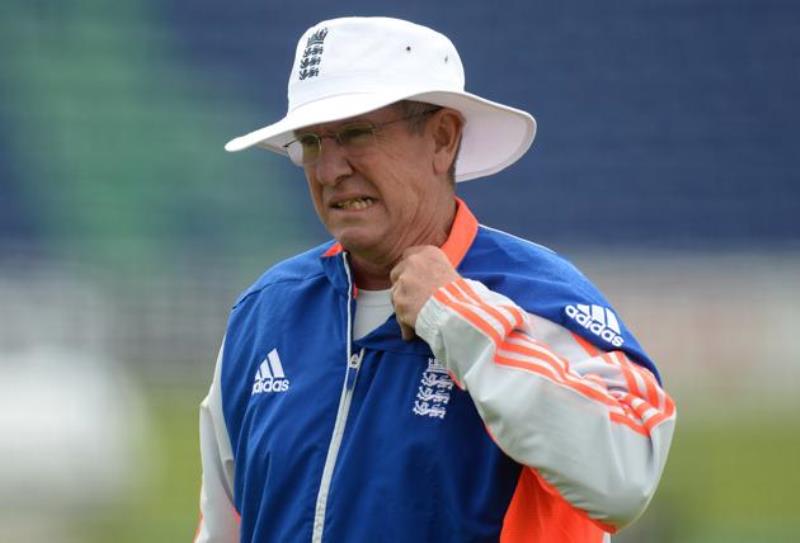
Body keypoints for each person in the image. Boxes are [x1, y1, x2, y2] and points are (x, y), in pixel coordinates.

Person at [194, 16, 676, 543]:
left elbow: (626, 475)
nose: (329, 169)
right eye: (311, 142)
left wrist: (461, 317)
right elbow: (223, 529)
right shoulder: (265, 314)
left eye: (356, 133)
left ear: (443, 139)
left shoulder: (541, 298)